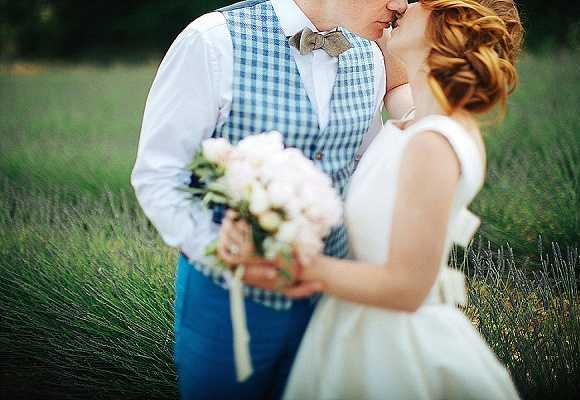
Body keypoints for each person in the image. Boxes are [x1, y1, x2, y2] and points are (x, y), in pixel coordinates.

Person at [220, 0, 525, 398]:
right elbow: (398, 90)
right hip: (354, 324)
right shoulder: (417, 120)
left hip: (396, 347)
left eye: (417, 2)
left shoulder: (434, 143)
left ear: (445, 23)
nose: (402, 4)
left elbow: (406, 287)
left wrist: (293, 266)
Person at [131, 0, 411, 398]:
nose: (400, 3)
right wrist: (215, 246)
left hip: (331, 305)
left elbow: (362, 171)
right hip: (226, 304)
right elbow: (159, 174)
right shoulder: (212, 41)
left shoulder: (371, 55)